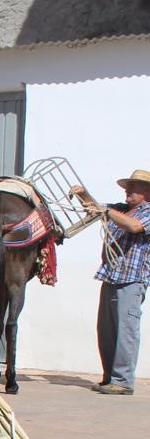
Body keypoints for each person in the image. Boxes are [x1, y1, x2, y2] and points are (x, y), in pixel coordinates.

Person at [70, 169, 150, 395]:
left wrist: (105, 210)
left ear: (147, 191)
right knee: (106, 330)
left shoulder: (145, 213)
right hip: (112, 275)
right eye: (128, 187)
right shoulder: (121, 209)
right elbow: (94, 209)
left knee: (126, 330)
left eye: (133, 187)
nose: (128, 191)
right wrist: (83, 195)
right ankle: (110, 377)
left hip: (132, 279)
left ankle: (123, 381)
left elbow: (133, 226)